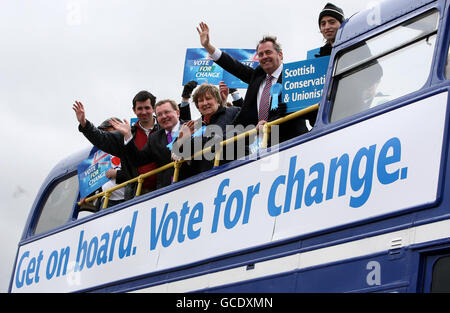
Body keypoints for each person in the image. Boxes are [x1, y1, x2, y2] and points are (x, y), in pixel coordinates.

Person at [197, 22, 315, 145]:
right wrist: (208, 46)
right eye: (260, 54)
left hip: (290, 142)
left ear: (280, 54)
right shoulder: (257, 75)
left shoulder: (293, 76)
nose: (264, 57)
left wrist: (268, 123)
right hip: (258, 144)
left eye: (268, 52)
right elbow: (234, 66)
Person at [73, 90, 160, 199]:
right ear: (134, 110)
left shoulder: (165, 128)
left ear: (153, 108)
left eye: (147, 108)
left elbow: (182, 146)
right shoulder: (126, 134)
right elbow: (102, 139)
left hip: (166, 186)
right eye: (139, 108)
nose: (143, 112)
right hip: (138, 194)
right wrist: (84, 124)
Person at [110, 99, 194, 189]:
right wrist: (128, 135)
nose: (164, 116)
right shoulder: (154, 138)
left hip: (193, 185)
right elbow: (137, 160)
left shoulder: (192, 126)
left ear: (177, 113)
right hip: (167, 191)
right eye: (159, 115)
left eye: (167, 112)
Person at [173, 83, 241, 173]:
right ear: (198, 106)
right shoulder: (194, 125)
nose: (205, 103)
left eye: (208, 98)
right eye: (200, 100)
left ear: (217, 100)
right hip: (207, 178)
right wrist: (181, 140)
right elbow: (180, 153)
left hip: (236, 170)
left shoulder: (234, 112)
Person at [97, 118, 125, 208]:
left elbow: (136, 172)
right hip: (106, 200)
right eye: (103, 132)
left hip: (125, 199)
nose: (105, 135)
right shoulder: (100, 153)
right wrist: (86, 195)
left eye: (107, 131)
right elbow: (94, 178)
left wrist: (116, 174)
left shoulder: (129, 145)